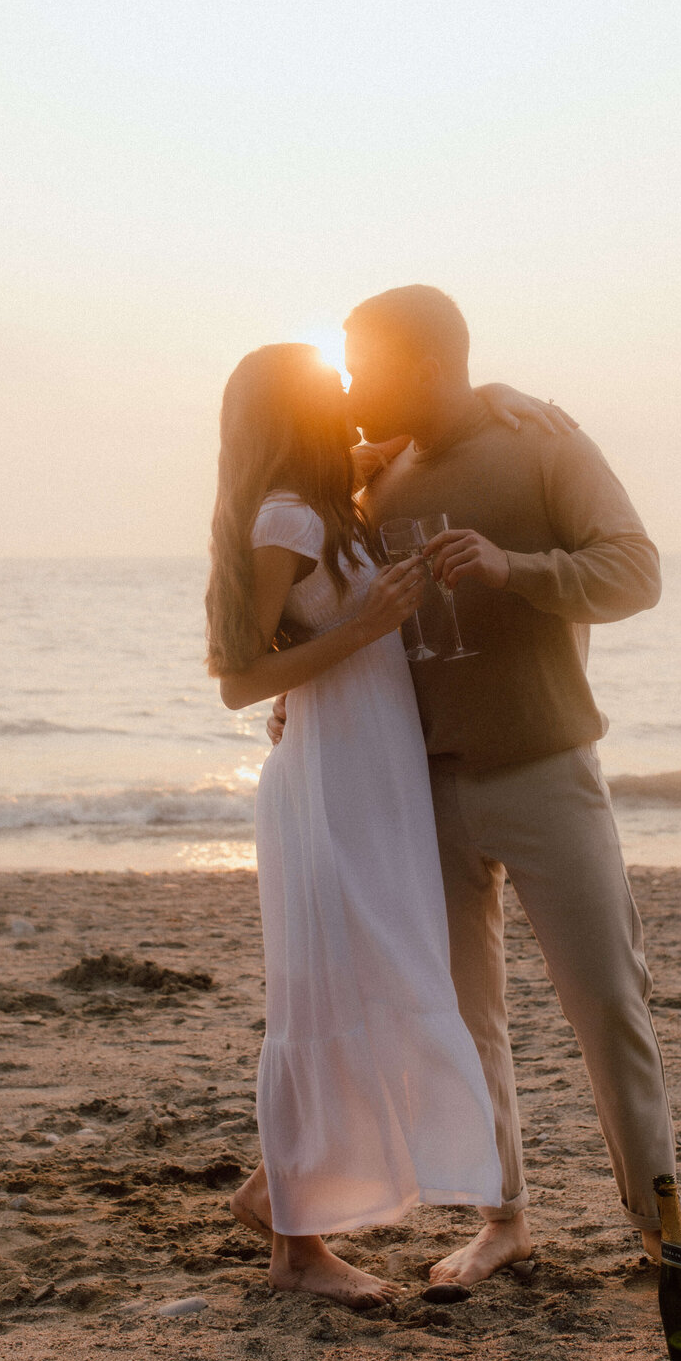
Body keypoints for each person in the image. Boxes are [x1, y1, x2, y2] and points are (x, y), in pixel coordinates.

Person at [266, 287, 681, 1294]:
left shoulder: (543, 444)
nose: (348, 385)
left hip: (547, 769)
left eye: (363, 365)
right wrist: (298, 690)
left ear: (427, 366)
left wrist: (512, 564)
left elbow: (636, 569)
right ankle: (504, 1220)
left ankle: (664, 1232)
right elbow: (333, 612)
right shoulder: (370, 479)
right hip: (421, 789)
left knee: (609, 1004)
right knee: (468, 1015)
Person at [207, 342, 561, 1309]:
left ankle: (278, 1189)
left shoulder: (334, 499)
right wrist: (366, 629)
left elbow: (435, 404)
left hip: (379, 780)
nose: (354, 399)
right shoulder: (284, 512)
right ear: (297, 411)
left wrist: (502, 391)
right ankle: (296, 1247)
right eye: (334, 389)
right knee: (325, 998)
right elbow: (238, 675)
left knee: (385, 980)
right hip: (327, 786)